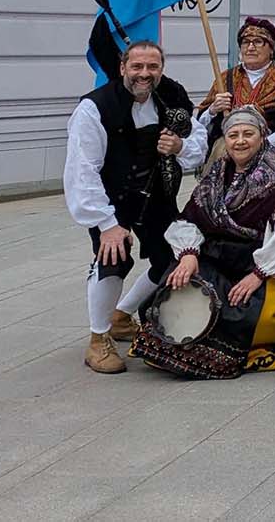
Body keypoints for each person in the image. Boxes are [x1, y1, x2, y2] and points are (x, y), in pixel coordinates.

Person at [131, 106, 275, 378]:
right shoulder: (218, 173)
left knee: (250, 314)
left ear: (263, 136)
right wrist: (189, 254)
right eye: (233, 135)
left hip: (268, 259)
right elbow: (190, 217)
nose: (240, 140)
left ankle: (218, 347)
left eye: (248, 133)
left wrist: (258, 275)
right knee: (178, 281)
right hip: (221, 254)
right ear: (225, 140)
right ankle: (179, 339)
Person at [63, 40, 201, 374]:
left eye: (152, 67)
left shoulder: (171, 97)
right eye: (137, 66)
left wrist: (180, 146)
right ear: (123, 67)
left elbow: (198, 142)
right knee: (113, 259)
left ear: (161, 68)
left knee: (171, 258)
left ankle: (121, 316)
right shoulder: (96, 108)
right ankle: (98, 340)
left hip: (156, 194)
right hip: (111, 199)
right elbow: (82, 169)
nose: (145, 74)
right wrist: (106, 223)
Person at [193, 17, 275, 167]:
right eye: (246, 42)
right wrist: (213, 110)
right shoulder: (226, 78)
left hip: (270, 158)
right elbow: (200, 125)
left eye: (258, 42)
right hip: (227, 157)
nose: (250, 47)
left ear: (272, 49)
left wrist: (255, 147)